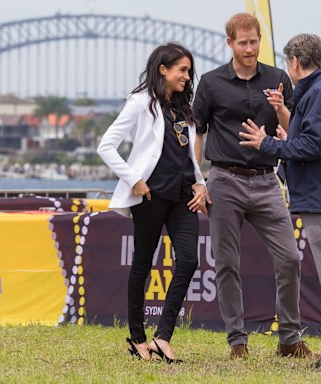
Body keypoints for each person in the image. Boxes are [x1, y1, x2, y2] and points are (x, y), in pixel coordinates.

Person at [239, 33, 321, 370]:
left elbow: (312, 147)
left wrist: (268, 144)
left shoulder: (319, 95)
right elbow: (310, 141)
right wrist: (286, 139)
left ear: (294, 62)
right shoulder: (320, 93)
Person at [193, 13, 311, 359]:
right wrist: (198, 180)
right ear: (229, 43)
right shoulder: (211, 83)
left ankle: (289, 339)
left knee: (290, 258)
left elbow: (295, 129)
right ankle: (237, 342)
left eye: (254, 41)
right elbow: (197, 133)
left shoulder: (277, 79)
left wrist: (282, 110)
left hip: (266, 181)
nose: (249, 48)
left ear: (260, 40)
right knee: (227, 263)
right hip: (224, 180)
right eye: (242, 42)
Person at [97, 43, 207, 363]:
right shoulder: (141, 103)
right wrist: (133, 179)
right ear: (163, 69)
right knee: (143, 265)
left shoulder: (185, 109)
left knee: (188, 261)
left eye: (189, 71)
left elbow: (188, 154)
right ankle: (137, 338)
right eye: (182, 70)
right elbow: (107, 146)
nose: (187, 76)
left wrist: (201, 182)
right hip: (150, 196)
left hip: (184, 196)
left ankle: (163, 337)